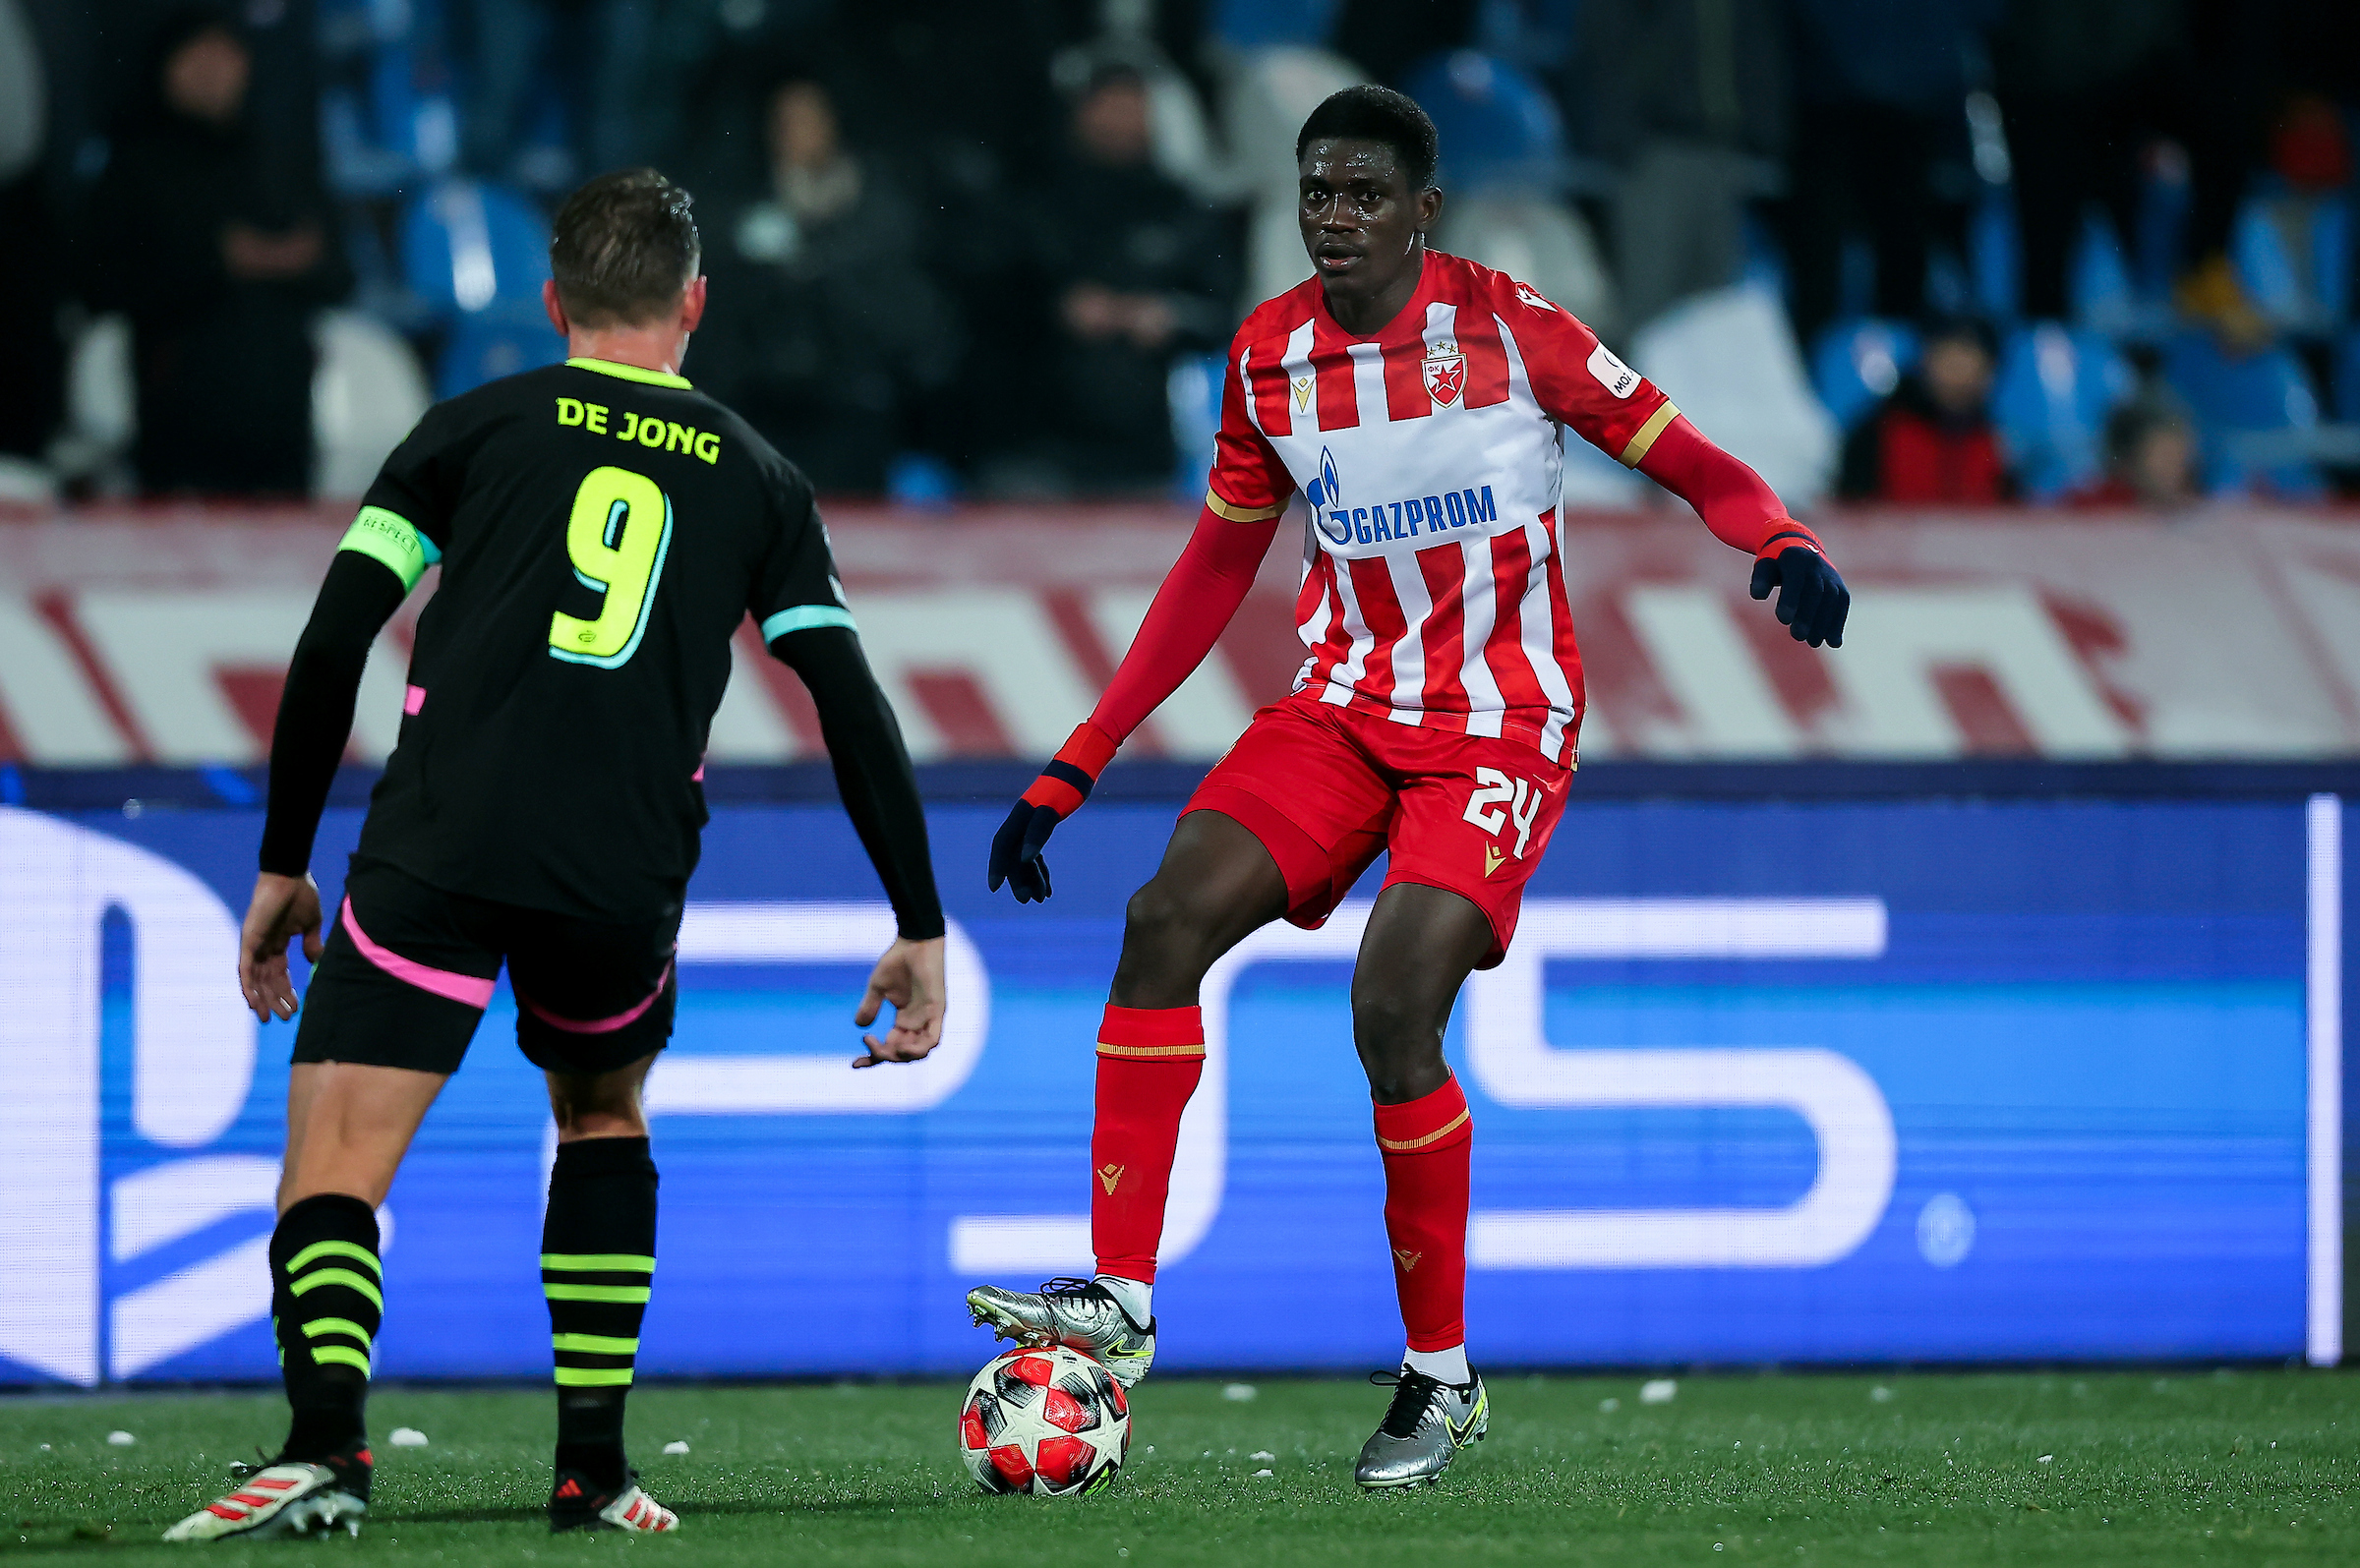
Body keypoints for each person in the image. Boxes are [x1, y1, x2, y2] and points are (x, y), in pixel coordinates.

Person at [965, 87, 1848, 1489]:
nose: (1335, 216)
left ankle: (1440, 1374)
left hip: (1498, 725)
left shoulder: (1514, 330)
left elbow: (1682, 452)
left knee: (1395, 1000)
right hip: (1343, 709)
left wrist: (1781, 534)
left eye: (1365, 194)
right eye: (1319, 191)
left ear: (1423, 211)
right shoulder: (1268, 358)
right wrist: (1079, 757)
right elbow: (1213, 569)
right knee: (1160, 918)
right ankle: (1120, 1302)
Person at [165, 170, 947, 1542]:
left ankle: (326, 1450)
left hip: (445, 836)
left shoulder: (471, 427)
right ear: (694, 303)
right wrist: (919, 917)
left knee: (338, 1156)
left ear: (552, 302)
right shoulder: (759, 475)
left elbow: (333, 639)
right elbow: (849, 700)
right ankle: (592, 1468)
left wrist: (283, 857)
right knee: (600, 1116)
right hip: (622, 863)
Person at [81, 6, 349, 495]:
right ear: (165, 68)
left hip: (282, 427)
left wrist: (279, 261)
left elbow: (337, 272)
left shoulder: (281, 160)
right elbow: (102, 283)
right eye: (195, 56)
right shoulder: (134, 170)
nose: (211, 70)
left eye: (224, 55)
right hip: (178, 427)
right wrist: (216, 261)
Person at [693, 78, 959, 494]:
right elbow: (722, 332)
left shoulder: (883, 210)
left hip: (860, 414)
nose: (797, 134)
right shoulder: (736, 216)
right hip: (767, 414)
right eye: (784, 123)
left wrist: (810, 265)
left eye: (808, 120)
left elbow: (909, 320)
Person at [1025, 63, 1232, 492]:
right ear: (1078, 112)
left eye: (1133, 107)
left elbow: (1220, 312)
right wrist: (1056, 309)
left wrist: (1168, 315)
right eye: (1108, 106)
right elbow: (992, 305)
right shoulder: (1035, 203)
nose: (1120, 120)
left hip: (1147, 455)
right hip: (1034, 449)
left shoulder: (1180, 207)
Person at [1837, 315, 2014, 504]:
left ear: (1990, 372)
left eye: (1967, 359)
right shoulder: (1879, 433)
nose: (1956, 373)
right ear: (1926, 361)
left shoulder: (2000, 445)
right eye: (1947, 358)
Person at [2072, 393, 2202, 509]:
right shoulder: (2095, 508)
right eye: (2164, 455)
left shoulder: (2191, 502)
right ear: (2129, 458)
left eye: (2180, 454)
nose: (2175, 465)